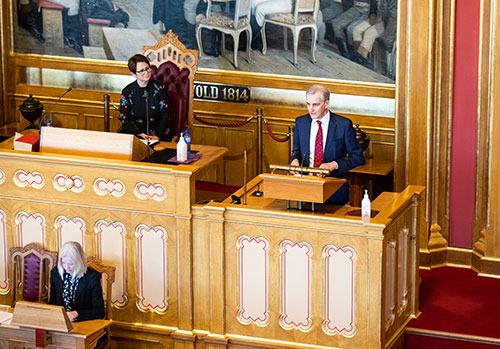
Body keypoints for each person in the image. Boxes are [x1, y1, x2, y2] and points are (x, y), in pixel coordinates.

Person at [290, 85, 365, 205]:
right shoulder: (301, 122)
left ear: (326, 103)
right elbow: (297, 151)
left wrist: (334, 164)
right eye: (308, 104)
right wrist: (294, 160)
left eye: (315, 104)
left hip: (333, 189)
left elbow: (358, 158)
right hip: (305, 188)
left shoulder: (343, 125)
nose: (311, 109)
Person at [119, 54, 171, 142]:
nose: (146, 73)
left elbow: (166, 115)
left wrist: (158, 136)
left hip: (157, 134)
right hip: (135, 134)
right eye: (141, 71)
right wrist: (140, 134)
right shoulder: (127, 92)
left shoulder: (159, 88)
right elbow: (125, 119)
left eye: (147, 69)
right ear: (133, 74)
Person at [49, 241, 104, 322]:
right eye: (63, 263)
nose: (66, 268)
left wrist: (76, 314)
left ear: (80, 261)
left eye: (71, 264)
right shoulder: (56, 273)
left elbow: (99, 312)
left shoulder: (92, 277)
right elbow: (52, 303)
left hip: (84, 322)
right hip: (60, 322)